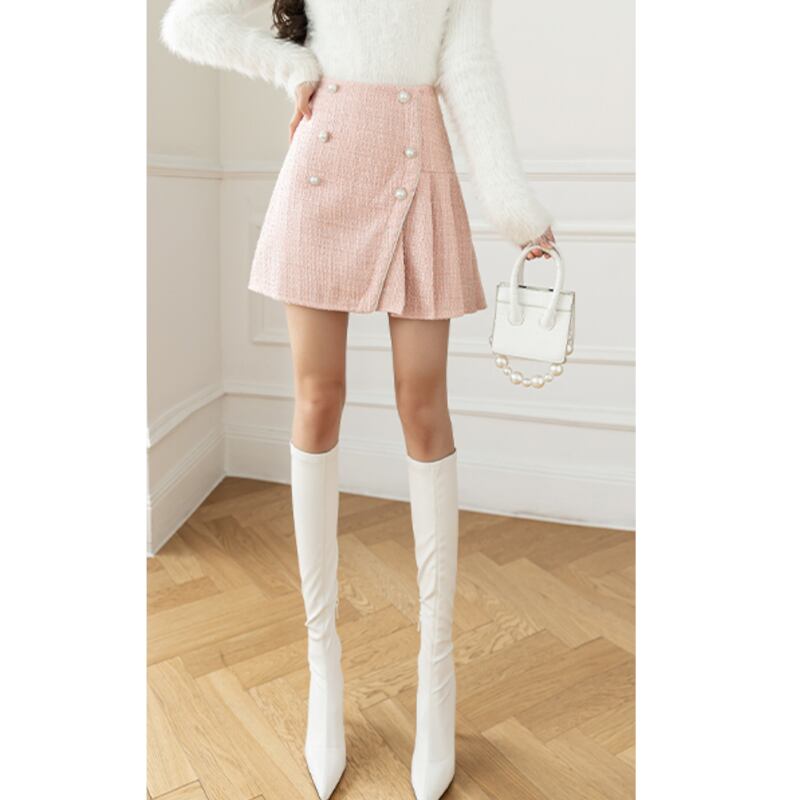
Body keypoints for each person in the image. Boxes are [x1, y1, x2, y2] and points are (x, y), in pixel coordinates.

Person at [160, 2, 555, 797]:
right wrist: (292, 66)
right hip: (324, 161)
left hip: (421, 163)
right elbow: (187, 22)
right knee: (318, 398)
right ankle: (323, 668)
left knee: (423, 407)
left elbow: (471, 73)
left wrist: (516, 211)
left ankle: (436, 672)